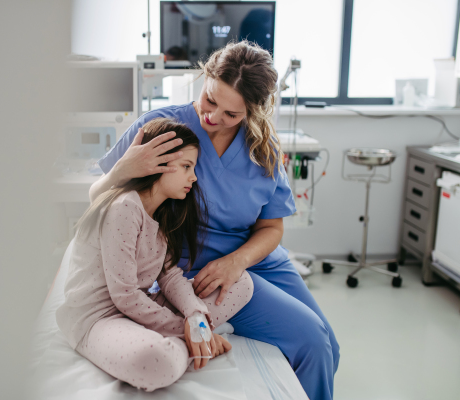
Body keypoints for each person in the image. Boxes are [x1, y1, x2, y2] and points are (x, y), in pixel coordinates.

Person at [90, 41, 340, 400]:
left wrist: (237, 261)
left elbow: (272, 228)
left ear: (252, 111)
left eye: (230, 114)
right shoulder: (160, 130)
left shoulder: (262, 150)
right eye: (210, 101)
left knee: (331, 344)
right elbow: (100, 201)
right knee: (313, 342)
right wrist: (122, 170)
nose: (213, 118)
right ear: (205, 77)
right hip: (202, 266)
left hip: (256, 259)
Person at [56, 118, 254, 392]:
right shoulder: (125, 207)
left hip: (139, 305)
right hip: (100, 317)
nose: (193, 177)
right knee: (156, 362)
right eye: (186, 167)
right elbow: (123, 295)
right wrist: (189, 329)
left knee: (242, 283)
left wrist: (195, 317)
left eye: (193, 168)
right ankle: (189, 346)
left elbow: (170, 276)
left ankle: (190, 342)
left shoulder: (163, 214)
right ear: (158, 164)